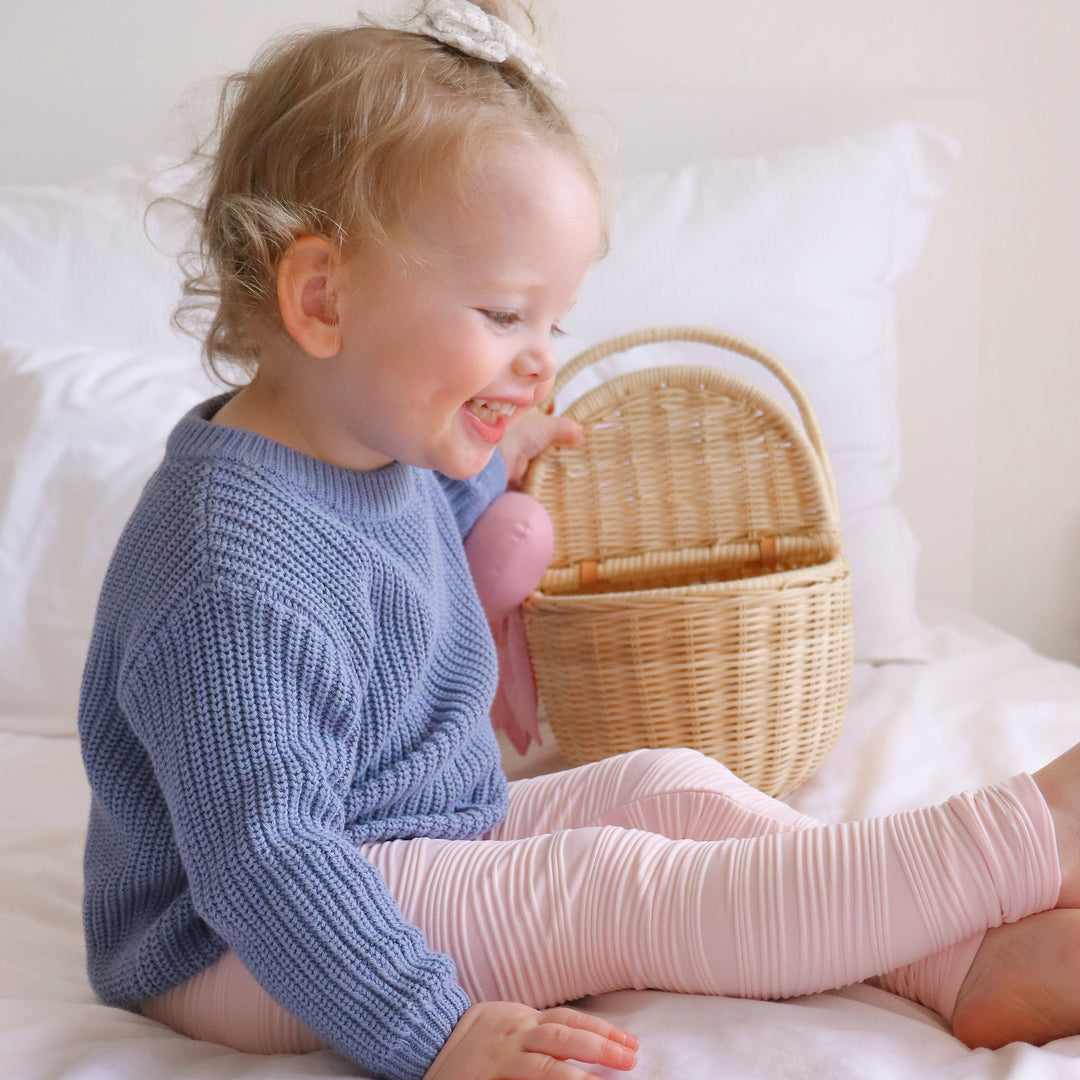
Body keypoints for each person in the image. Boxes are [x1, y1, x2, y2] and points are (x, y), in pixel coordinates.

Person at [77, 2, 1080, 1078]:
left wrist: (488, 447)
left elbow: (418, 566)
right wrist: (437, 1033)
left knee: (670, 787)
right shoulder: (228, 574)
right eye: (505, 316)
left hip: (411, 839)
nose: (538, 358)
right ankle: (1014, 839)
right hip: (248, 941)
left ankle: (959, 966)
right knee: (609, 883)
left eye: (550, 326)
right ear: (323, 299)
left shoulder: (374, 450)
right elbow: (266, 861)